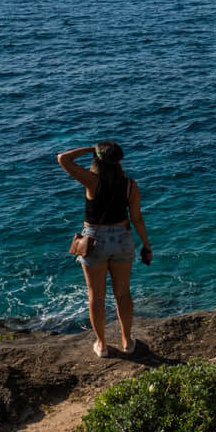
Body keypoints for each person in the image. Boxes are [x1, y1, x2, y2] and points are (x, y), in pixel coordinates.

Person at [57, 140, 151, 357]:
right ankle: (127, 341)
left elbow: (63, 158)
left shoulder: (92, 181)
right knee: (123, 294)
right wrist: (146, 244)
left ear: (98, 160)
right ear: (118, 161)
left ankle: (102, 345)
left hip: (95, 242)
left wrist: (90, 150)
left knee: (96, 296)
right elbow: (136, 218)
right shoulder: (130, 185)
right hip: (122, 239)